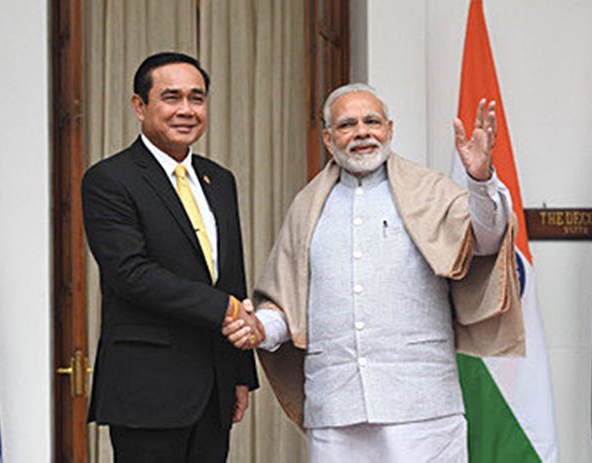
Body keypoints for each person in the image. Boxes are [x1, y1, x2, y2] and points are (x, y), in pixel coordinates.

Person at [223, 83, 524, 462]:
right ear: (329, 140)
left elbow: (486, 239)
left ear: (390, 129)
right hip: (337, 408)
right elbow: (291, 304)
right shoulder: (307, 207)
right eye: (348, 125)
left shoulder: (431, 190)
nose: (362, 132)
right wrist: (261, 329)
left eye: (372, 121)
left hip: (422, 407)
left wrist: (480, 182)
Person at [82, 52, 261, 463]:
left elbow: (230, 275)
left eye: (196, 98)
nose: (186, 110)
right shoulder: (110, 179)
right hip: (147, 392)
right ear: (139, 106)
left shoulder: (220, 180)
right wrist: (227, 309)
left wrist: (239, 374)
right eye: (171, 97)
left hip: (214, 388)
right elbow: (131, 273)